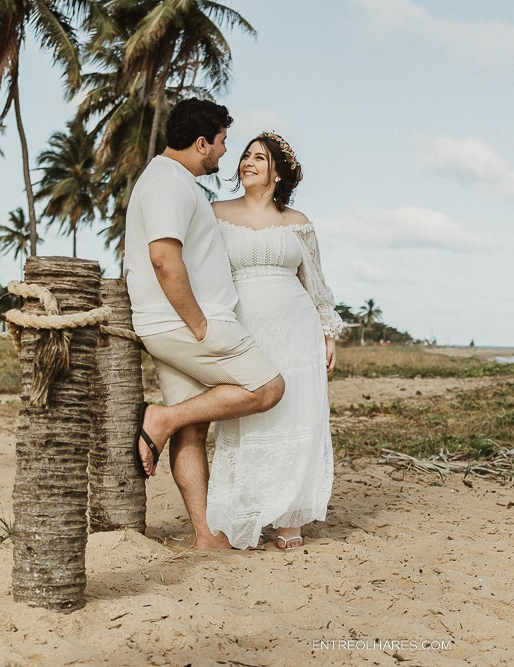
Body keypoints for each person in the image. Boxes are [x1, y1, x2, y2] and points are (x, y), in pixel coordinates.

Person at [123, 99, 286, 550]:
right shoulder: (167, 184)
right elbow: (162, 257)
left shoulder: (174, 183)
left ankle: (205, 536)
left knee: (193, 431)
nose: (224, 152)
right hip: (186, 326)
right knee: (268, 388)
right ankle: (162, 418)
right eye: (221, 142)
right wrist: (198, 323)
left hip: (171, 326)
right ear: (201, 143)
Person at [206, 132, 343, 550]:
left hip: (297, 327)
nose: (247, 162)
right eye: (245, 155)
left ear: (278, 172)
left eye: (259, 158)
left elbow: (315, 283)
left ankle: (289, 520)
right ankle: (243, 513)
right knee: (247, 414)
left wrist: (327, 333)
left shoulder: (298, 222)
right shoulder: (215, 213)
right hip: (243, 325)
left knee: (297, 416)